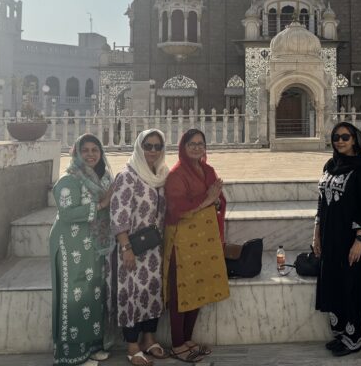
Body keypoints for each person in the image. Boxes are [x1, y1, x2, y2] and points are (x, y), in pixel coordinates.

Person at [314, 122, 361, 357]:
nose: (340, 141)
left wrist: (360, 239)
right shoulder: (330, 165)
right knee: (333, 283)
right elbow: (321, 202)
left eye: (345, 137)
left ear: (354, 139)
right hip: (330, 238)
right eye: (336, 137)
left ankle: (354, 338)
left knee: (351, 286)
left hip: (351, 241)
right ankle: (341, 333)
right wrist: (317, 234)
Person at [163, 128, 229, 363]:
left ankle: (188, 339)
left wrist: (216, 202)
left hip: (204, 240)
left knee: (199, 289)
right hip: (182, 241)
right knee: (181, 291)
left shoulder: (207, 169)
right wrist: (208, 200)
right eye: (192, 143)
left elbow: (219, 199)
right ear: (183, 146)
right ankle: (178, 344)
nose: (197, 147)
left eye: (201, 143)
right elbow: (177, 208)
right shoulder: (177, 175)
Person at [49, 134, 114, 366]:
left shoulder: (104, 176)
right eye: (84, 150)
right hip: (71, 244)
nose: (90, 154)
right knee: (73, 295)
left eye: (94, 149)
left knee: (94, 291)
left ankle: (92, 345)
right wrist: (100, 205)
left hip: (95, 243)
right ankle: (72, 352)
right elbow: (67, 213)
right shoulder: (69, 179)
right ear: (76, 153)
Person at [111, 129, 169, 366]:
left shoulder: (161, 175)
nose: (153, 151)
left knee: (152, 293)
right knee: (131, 295)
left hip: (154, 249)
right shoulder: (128, 176)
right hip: (132, 246)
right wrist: (126, 248)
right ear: (139, 146)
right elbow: (119, 213)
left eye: (157, 146)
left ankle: (149, 338)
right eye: (148, 145)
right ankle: (132, 345)